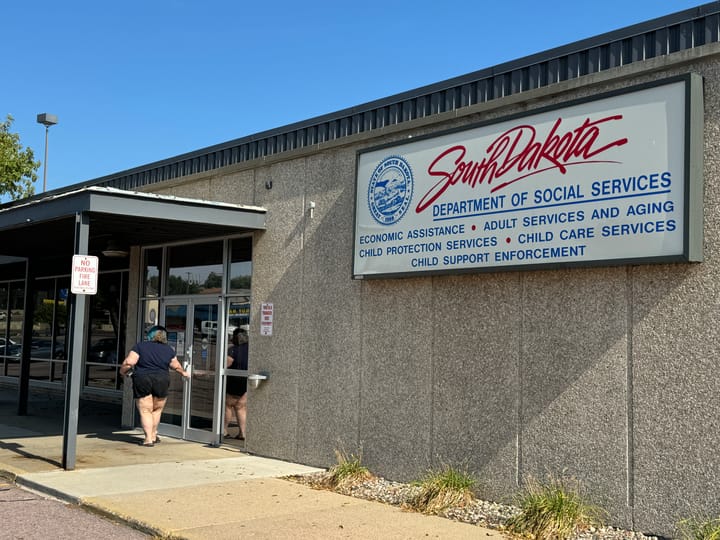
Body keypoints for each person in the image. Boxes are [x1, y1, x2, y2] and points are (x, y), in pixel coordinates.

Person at [119, 325, 189, 447]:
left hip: (143, 379)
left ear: (150, 335)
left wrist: (123, 371)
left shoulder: (140, 346)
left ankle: (148, 439)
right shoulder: (169, 349)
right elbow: (176, 365)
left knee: (146, 410)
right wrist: (184, 372)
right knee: (157, 410)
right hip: (162, 379)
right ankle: (153, 435)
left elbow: (129, 362)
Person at [224, 325, 248, 440]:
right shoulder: (251, 349)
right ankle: (242, 433)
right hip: (246, 383)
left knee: (228, 405)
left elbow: (227, 363)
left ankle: (223, 430)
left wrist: (213, 367)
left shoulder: (233, 349)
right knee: (241, 407)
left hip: (235, 382)